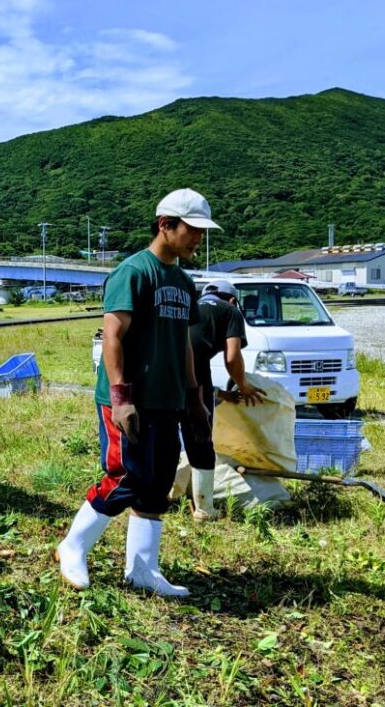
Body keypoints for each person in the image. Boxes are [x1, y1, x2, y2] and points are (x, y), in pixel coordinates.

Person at [56, 188, 218, 598]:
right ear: (166, 225)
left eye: (202, 231)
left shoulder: (183, 281)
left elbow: (183, 343)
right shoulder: (133, 272)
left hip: (169, 399)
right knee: (127, 475)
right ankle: (73, 546)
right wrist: (122, 397)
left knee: (158, 483)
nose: (198, 239)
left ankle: (142, 570)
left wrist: (195, 396)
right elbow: (113, 335)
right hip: (129, 399)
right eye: (192, 230)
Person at [181, 280, 266, 521]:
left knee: (167, 433)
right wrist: (244, 385)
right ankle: (204, 509)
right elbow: (232, 356)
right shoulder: (230, 310)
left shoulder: (193, 306)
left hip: (167, 368)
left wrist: (222, 395)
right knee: (201, 436)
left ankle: (156, 497)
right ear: (231, 299)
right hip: (193, 369)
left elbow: (197, 356)